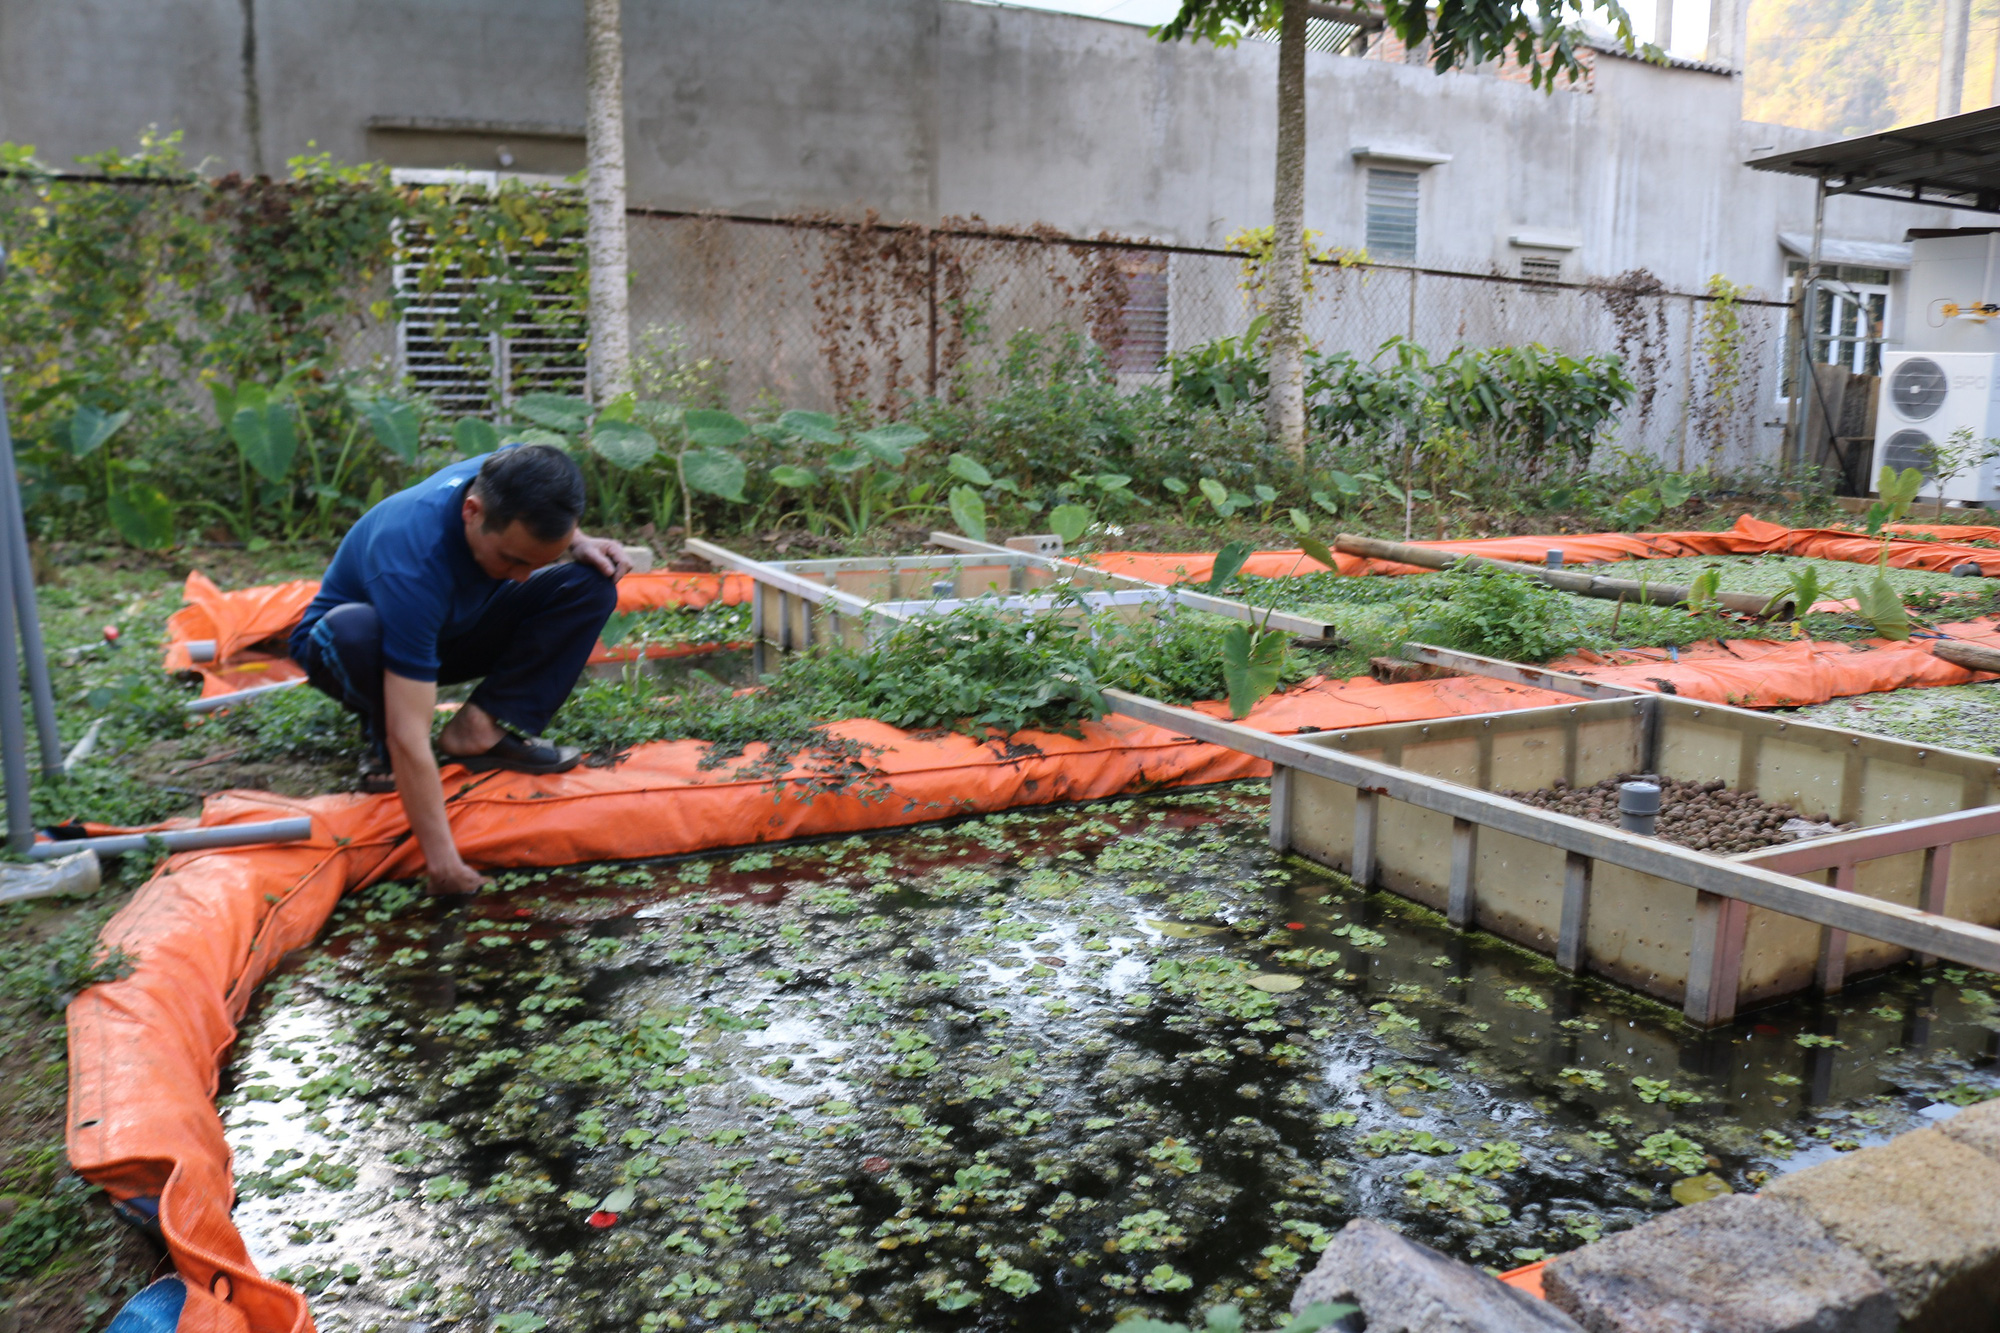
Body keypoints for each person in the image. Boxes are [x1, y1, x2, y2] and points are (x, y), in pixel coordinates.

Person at [289, 443, 630, 895]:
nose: (522, 577)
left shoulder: (511, 472)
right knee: (357, 635)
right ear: (471, 511)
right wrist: (443, 862)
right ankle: (377, 737)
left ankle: (477, 728)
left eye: (536, 562)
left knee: (588, 586)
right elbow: (410, 734)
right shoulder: (411, 559)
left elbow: (545, 500)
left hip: (447, 626)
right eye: (512, 559)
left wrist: (581, 542)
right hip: (355, 644)